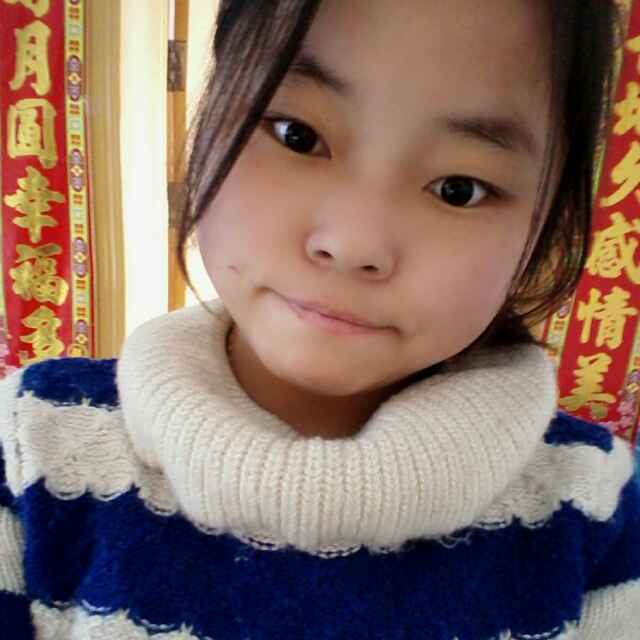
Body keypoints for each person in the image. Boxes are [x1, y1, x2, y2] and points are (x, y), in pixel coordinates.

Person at [1, 0, 638, 637]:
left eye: (458, 189)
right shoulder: (32, 445)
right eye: (297, 135)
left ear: (544, 230)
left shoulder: (598, 507)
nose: (354, 243)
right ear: (211, 111)